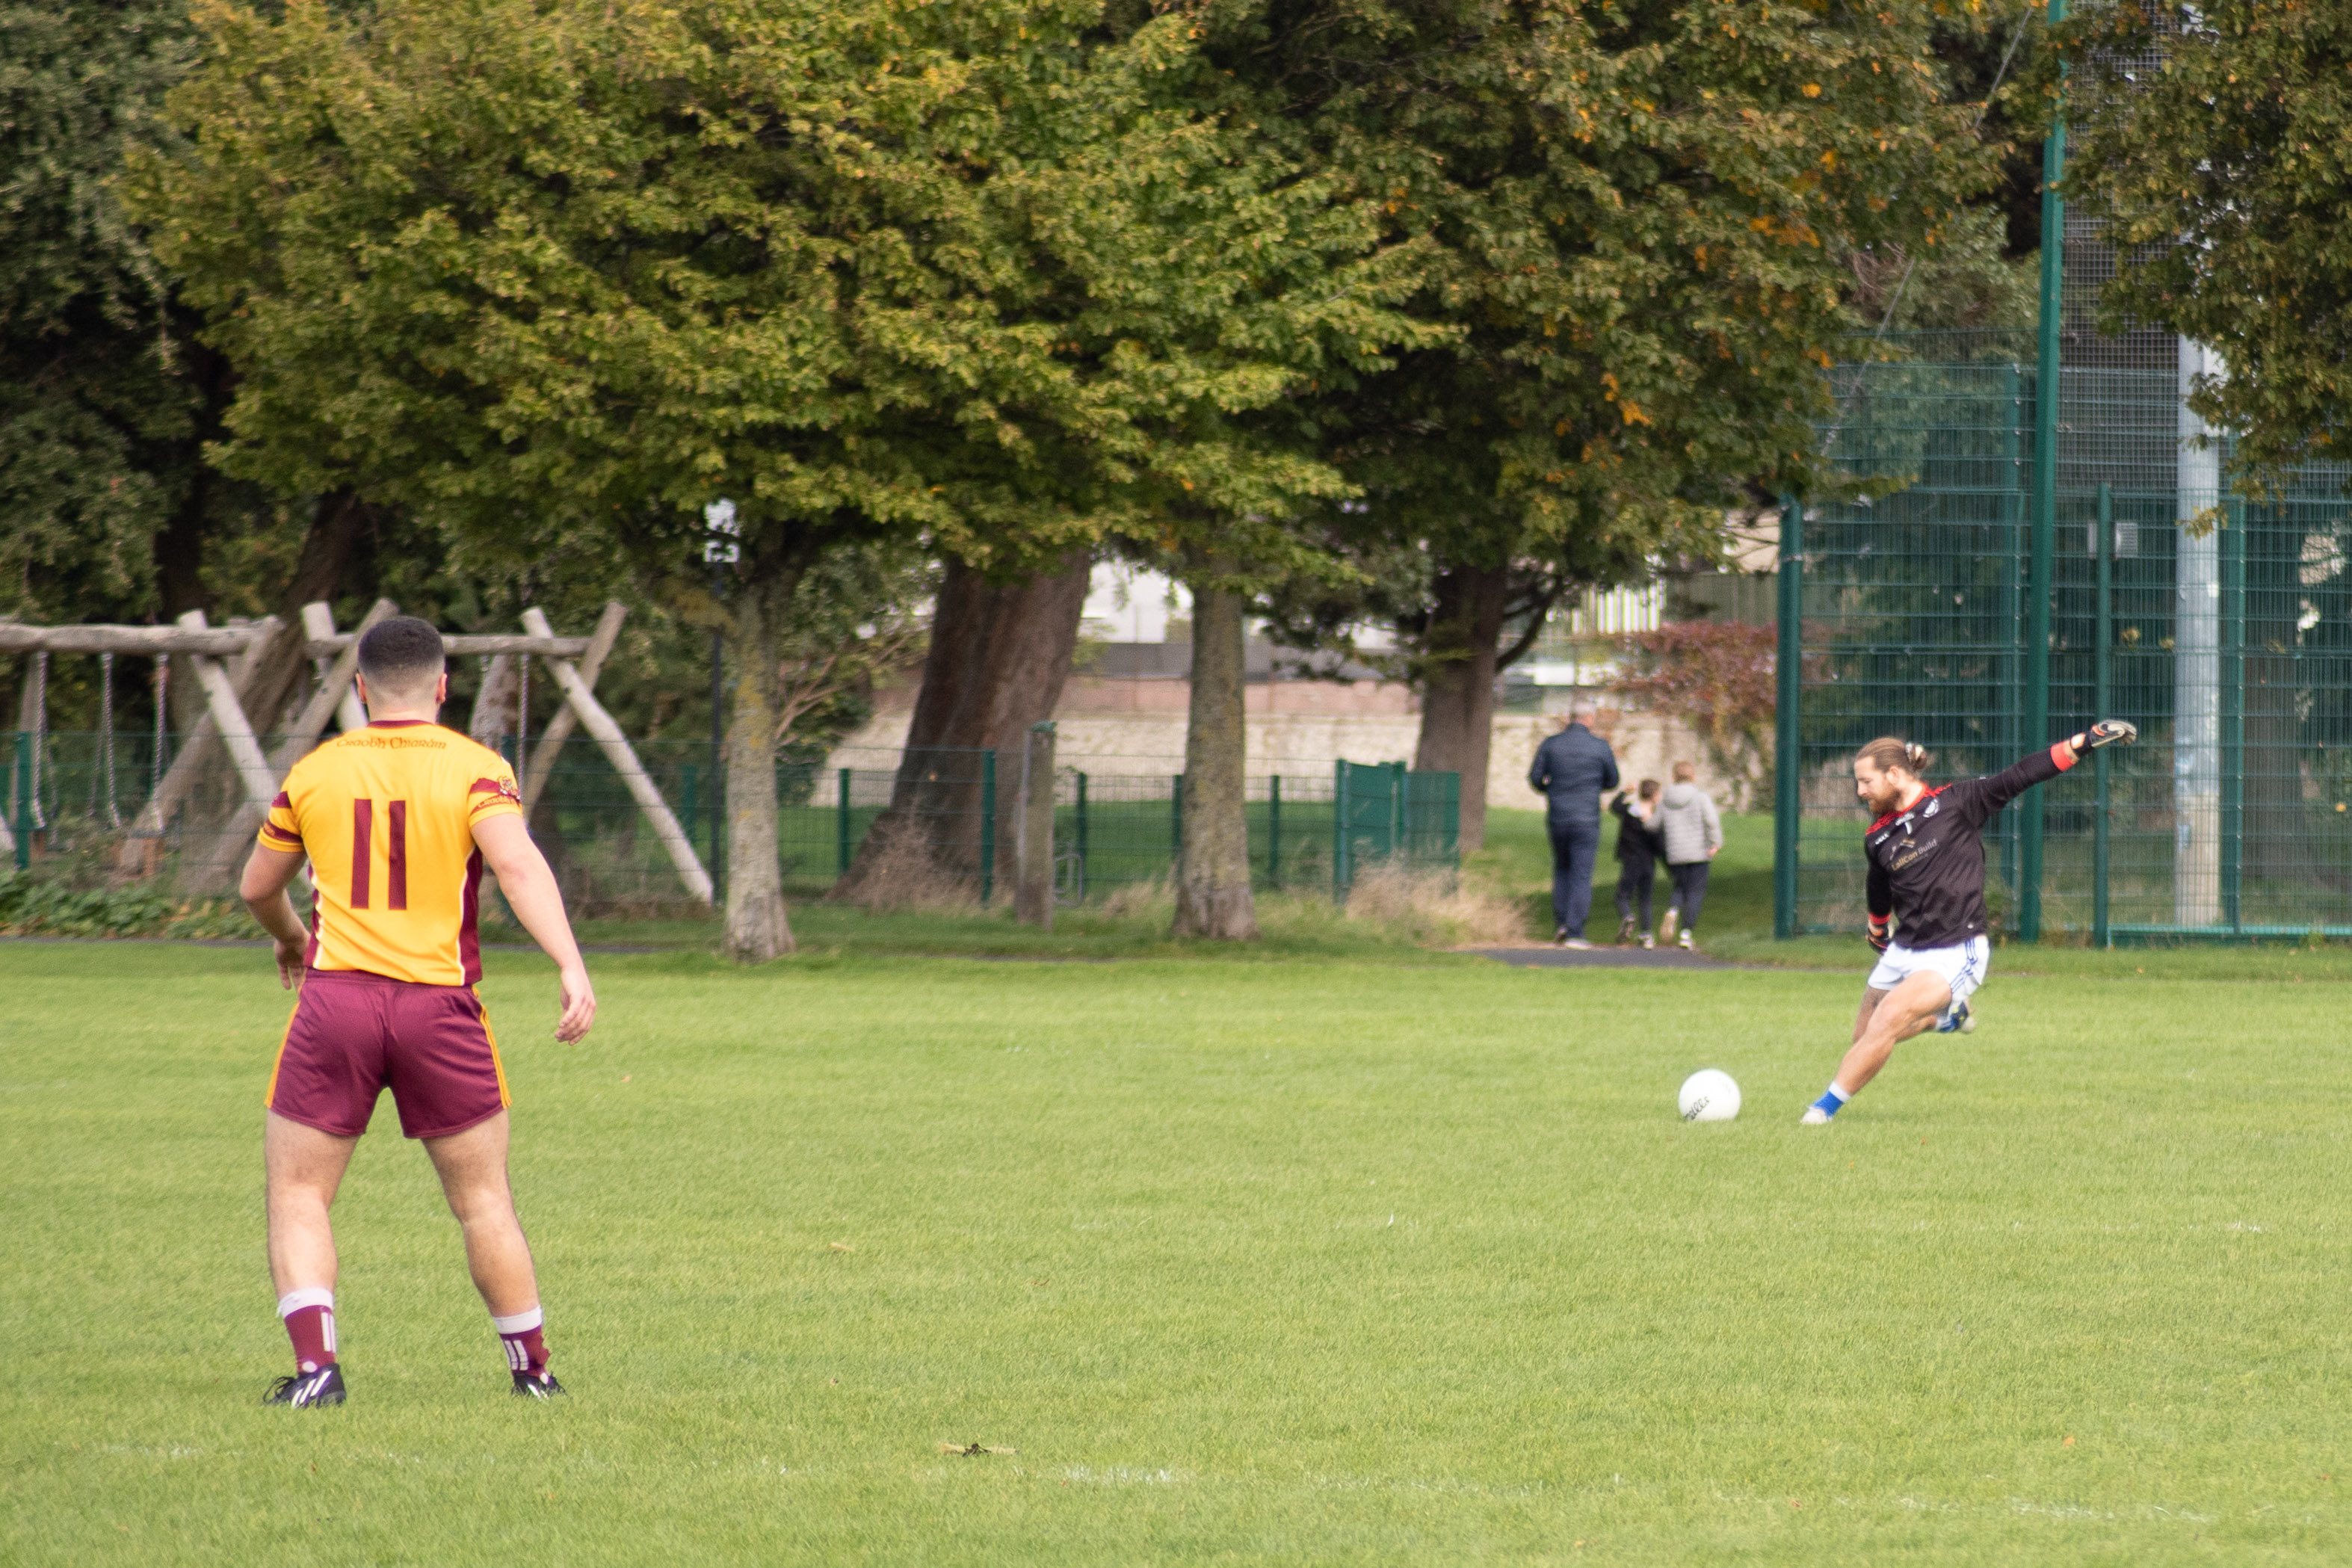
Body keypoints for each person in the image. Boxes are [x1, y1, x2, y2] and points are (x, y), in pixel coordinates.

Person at [239, 617, 597, 1406]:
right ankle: (533, 1373)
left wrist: (292, 938)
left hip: (336, 1003)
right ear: (442, 686)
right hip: (440, 1007)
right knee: (483, 1201)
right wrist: (569, 964)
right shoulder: (476, 768)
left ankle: (317, 1371)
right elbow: (516, 865)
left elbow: (257, 886)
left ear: (359, 689)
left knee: (299, 1192)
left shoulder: (315, 772)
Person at [1800, 721, 2137, 1125]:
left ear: (1893, 775)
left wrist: (2084, 742)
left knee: (1887, 1020)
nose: (1860, 792)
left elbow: (2021, 775)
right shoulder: (1878, 836)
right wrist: (1877, 925)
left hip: (1955, 951)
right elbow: (1879, 884)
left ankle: (1821, 1111)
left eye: (1865, 782)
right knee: (1864, 1037)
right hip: (1905, 947)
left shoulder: (1958, 803)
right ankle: (1944, 1018)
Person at [1528, 701, 1620, 948]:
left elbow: (1535, 778)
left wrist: (1551, 790)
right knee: (1581, 873)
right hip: (1587, 818)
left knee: (1561, 869)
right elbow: (1613, 780)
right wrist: (1594, 787)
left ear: (1570, 718)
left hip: (1558, 816)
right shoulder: (1600, 746)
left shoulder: (1551, 744)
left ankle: (1561, 923)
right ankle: (1575, 931)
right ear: (1589, 718)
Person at [1653, 762, 1723, 950]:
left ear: (1673, 777)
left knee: (1680, 887)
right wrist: (1716, 842)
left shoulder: (1666, 799)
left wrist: (1643, 817)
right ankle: (1686, 933)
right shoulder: (1700, 797)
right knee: (1695, 892)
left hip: (1676, 853)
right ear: (1694, 777)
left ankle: (1673, 909)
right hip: (1699, 852)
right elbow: (1711, 821)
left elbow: (1654, 824)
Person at [1609, 780, 1663, 947]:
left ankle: (1627, 916)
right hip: (1647, 862)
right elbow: (1660, 845)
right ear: (1655, 796)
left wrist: (1625, 792)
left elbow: (1614, 806)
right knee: (1645, 898)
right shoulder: (1653, 820)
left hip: (1630, 860)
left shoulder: (1629, 811)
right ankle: (1646, 934)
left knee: (1623, 895)